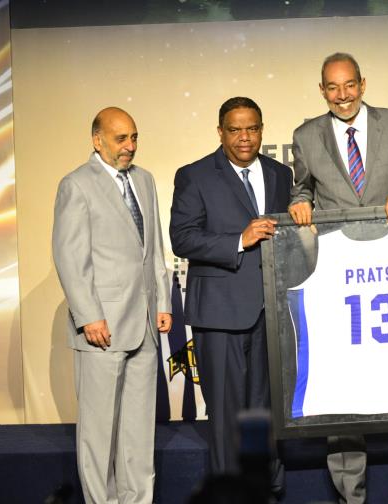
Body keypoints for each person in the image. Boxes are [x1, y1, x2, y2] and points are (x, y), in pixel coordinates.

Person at [288, 52, 388, 504]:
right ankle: (349, 496)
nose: (342, 96)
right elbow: (301, 188)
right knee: (342, 387)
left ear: (363, 83)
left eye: (349, 85)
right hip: (337, 278)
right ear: (322, 90)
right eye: (332, 88)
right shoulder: (304, 135)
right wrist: (299, 202)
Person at [169, 97, 290, 495]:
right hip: (219, 313)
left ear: (262, 129)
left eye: (252, 128)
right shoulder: (195, 175)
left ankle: (266, 490)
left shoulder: (280, 174)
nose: (244, 137)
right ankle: (230, 495)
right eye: (235, 129)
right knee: (225, 415)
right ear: (220, 132)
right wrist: (239, 240)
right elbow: (182, 237)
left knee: (264, 412)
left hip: (270, 312)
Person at [52, 107, 172, 504]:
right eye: (121, 138)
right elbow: (71, 257)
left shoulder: (145, 180)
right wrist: (88, 317)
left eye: (134, 137)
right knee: (99, 432)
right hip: (101, 326)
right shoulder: (77, 185)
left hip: (144, 326)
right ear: (97, 139)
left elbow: (153, 249)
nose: (130, 147)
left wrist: (162, 301)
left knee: (139, 430)